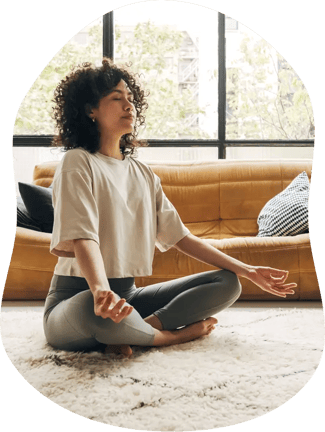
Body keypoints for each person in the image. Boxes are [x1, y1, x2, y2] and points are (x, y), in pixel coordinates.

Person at [43, 58, 297, 358]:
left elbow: (181, 238)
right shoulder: (78, 161)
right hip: (76, 298)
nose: (129, 105)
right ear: (90, 110)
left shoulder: (143, 174)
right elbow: (83, 236)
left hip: (128, 296)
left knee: (227, 282)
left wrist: (248, 269)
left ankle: (138, 329)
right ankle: (166, 337)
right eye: (116, 98)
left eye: (131, 98)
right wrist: (100, 291)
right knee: (93, 310)